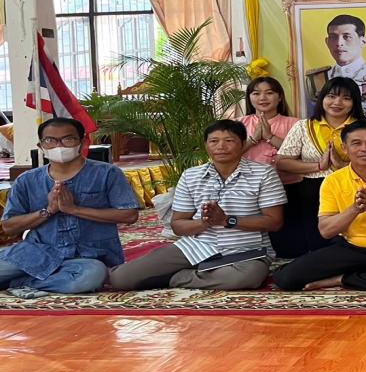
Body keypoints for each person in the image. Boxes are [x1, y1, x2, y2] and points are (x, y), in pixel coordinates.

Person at [109, 120, 285, 291]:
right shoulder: (191, 176)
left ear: (243, 144)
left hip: (246, 251)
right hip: (198, 247)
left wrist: (226, 220)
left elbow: (274, 222)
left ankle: (175, 278)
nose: (221, 146)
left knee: (249, 276)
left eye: (229, 141)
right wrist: (204, 223)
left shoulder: (264, 174)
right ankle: (204, 274)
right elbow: (178, 225)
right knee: (121, 278)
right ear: (206, 145)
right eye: (214, 141)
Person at [272, 121, 366, 293]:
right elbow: (326, 231)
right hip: (351, 248)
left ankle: (341, 279)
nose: (364, 149)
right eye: (356, 143)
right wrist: (354, 209)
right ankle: (363, 276)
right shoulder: (333, 180)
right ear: (345, 148)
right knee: (286, 278)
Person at [0, 118, 139, 297]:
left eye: (68, 139)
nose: (59, 146)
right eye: (50, 140)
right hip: (36, 253)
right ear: (41, 146)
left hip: (87, 258)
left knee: (92, 276)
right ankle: (39, 280)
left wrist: (74, 209)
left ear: (82, 142)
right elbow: (9, 226)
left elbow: (129, 215)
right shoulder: (27, 180)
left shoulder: (107, 173)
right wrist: (48, 210)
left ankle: (21, 282)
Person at [273, 77, 366, 258]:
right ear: (322, 98)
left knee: (353, 240)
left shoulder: (363, 128)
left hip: (354, 189)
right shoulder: (303, 126)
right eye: (331, 96)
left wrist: (342, 166)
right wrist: (318, 166)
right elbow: (282, 162)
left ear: (354, 102)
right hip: (313, 191)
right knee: (318, 243)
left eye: (346, 98)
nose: (337, 102)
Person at [303, 14, 366, 131]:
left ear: (363, 41)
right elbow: (312, 123)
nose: (339, 43)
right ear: (327, 42)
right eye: (333, 37)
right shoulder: (316, 79)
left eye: (347, 37)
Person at [239, 77, 300, 184]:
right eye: (256, 93)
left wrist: (270, 137)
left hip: (289, 184)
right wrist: (253, 139)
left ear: (280, 97)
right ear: (249, 97)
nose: (263, 98)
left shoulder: (296, 124)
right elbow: (229, 154)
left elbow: (301, 154)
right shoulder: (238, 124)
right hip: (247, 185)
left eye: (269, 93)